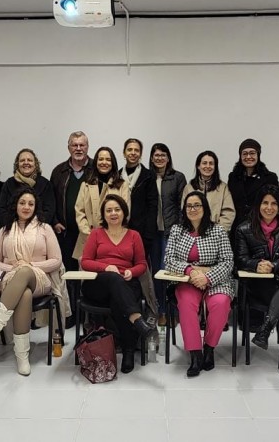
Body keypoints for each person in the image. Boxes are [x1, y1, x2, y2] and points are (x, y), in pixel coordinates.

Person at [0, 188, 68, 376]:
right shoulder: (5, 230)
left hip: (40, 279)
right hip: (12, 278)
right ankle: (22, 357)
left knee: (26, 271)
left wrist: (30, 265)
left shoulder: (45, 228)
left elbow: (56, 260)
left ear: (36, 207)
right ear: (15, 205)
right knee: (24, 293)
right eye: (22, 203)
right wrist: (13, 268)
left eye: (30, 203)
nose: (26, 207)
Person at [80, 194, 156, 374]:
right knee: (114, 280)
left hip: (126, 283)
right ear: (104, 214)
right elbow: (86, 262)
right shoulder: (96, 233)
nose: (113, 213)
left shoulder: (134, 235)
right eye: (109, 210)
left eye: (117, 209)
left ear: (124, 212)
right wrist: (106, 267)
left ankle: (127, 349)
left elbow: (142, 264)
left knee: (118, 298)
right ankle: (137, 321)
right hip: (98, 284)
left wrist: (133, 271)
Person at [234, 185, 279, 379]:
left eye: (274, 203)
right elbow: (240, 259)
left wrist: (273, 265)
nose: (269, 207)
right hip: (262, 285)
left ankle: (265, 330)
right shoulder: (243, 229)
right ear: (258, 205)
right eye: (265, 203)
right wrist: (257, 264)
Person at [164, 191, 234, 377]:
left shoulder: (218, 230)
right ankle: (195, 353)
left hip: (215, 279)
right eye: (189, 206)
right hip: (187, 280)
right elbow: (169, 259)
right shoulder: (177, 230)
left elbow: (228, 261)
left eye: (197, 205)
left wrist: (208, 277)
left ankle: (209, 348)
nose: (193, 209)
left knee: (220, 303)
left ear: (204, 208)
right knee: (186, 304)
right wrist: (190, 271)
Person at [50, 131, 93, 327]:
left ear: (87, 147)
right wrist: (55, 220)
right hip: (65, 232)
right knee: (68, 275)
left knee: (89, 274)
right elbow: (51, 200)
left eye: (81, 145)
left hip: (90, 234)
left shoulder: (96, 169)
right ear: (68, 148)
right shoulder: (58, 171)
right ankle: (71, 314)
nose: (78, 148)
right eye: (74, 145)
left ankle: (89, 315)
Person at [149, 143, 187, 324]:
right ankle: (160, 311)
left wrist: (179, 228)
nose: (159, 158)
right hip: (153, 232)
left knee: (172, 272)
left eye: (163, 155)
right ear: (151, 158)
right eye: (156, 155)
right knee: (156, 272)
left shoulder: (178, 177)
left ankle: (174, 311)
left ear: (168, 157)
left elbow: (183, 206)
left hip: (172, 232)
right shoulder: (147, 176)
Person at [72, 146, 130, 260]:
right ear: (96, 162)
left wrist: (106, 237)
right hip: (87, 239)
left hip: (113, 240)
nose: (104, 162)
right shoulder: (86, 184)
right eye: (101, 159)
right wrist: (90, 235)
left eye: (108, 160)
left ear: (113, 163)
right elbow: (79, 211)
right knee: (87, 275)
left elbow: (125, 212)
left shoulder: (122, 185)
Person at [227, 139, 278, 232]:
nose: (248, 156)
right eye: (245, 153)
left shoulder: (270, 177)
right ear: (240, 156)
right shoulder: (233, 177)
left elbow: (275, 203)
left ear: (258, 155)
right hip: (237, 228)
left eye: (252, 153)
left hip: (260, 228)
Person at [120, 138, 158, 261]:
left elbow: (153, 205)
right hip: (120, 229)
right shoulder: (117, 175)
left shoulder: (149, 175)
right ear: (124, 153)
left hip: (142, 231)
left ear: (141, 154)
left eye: (136, 150)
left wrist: (148, 234)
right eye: (129, 149)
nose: (133, 153)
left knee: (140, 266)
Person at [0, 148, 56, 225]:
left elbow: (49, 210)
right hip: (12, 229)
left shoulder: (45, 184)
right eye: (22, 160)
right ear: (17, 164)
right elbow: (1, 210)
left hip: (39, 230)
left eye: (29, 160)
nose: (26, 163)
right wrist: (15, 226)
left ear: (35, 164)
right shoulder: (9, 184)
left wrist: (34, 227)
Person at [181, 151, 235, 232]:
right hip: (193, 233)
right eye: (204, 163)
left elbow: (228, 213)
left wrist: (216, 231)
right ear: (198, 166)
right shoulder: (189, 187)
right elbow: (184, 211)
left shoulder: (223, 188)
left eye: (211, 163)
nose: (208, 166)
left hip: (216, 234)